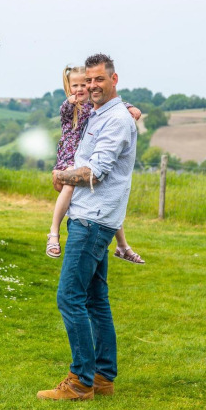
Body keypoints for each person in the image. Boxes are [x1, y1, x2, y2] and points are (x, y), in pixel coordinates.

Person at [38, 53, 137, 401]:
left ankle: (80, 382)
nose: (92, 86)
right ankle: (103, 376)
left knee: (69, 297)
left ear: (114, 79)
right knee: (95, 300)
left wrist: (61, 176)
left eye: (99, 80)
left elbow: (96, 172)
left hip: (92, 221)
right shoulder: (101, 114)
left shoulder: (116, 121)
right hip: (92, 217)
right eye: (89, 80)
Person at [46, 66, 145, 265]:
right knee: (68, 187)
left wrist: (128, 106)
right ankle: (53, 233)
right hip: (69, 158)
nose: (81, 88)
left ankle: (123, 246)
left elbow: (110, 104)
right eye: (75, 85)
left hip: (84, 158)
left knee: (106, 205)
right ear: (69, 87)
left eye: (84, 84)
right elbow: (64, 108)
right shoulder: (70, 108)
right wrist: (71, 99)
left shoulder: (94, 106)